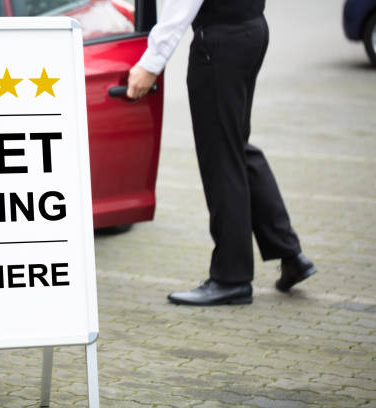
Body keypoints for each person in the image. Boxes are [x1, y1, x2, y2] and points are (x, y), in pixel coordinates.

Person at [127, 0, 316, 305]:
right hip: (251, 29)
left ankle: (232, 278)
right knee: (236, 148)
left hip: (221, 41)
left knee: (222, 157)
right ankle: (289, 253)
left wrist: (151, 63)